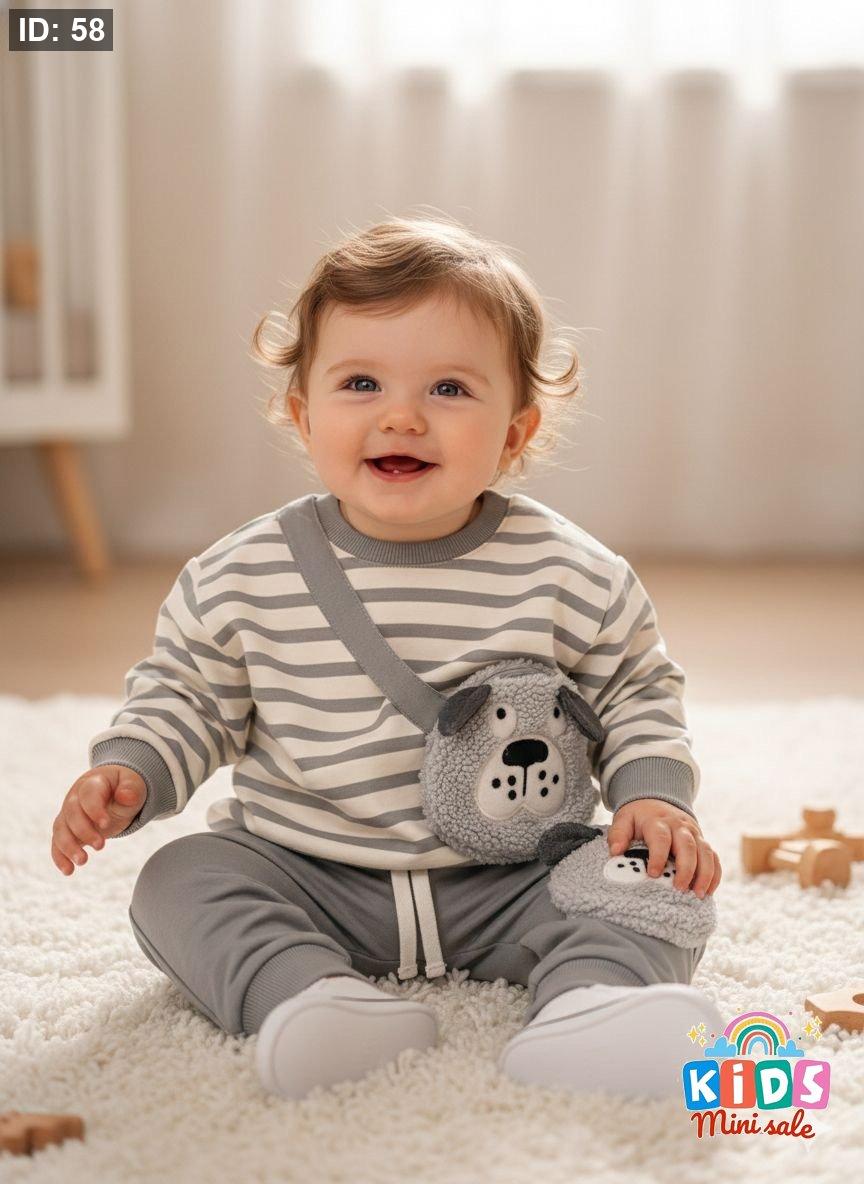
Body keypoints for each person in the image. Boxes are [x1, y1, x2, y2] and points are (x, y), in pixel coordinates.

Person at [50, 213, 723, 1101]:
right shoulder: (242, 575)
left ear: (515, 433)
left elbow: (636, 690)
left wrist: (651, 797)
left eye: (449, 389)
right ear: (304, 415)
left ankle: (593, 1006)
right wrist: (134, 768)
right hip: (307, 872)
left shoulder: (572, 574)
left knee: (654, 882)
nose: (401, 415)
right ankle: (308, 998)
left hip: (514, 880)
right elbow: (189, 695)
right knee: (179, 880)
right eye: (361, 383)